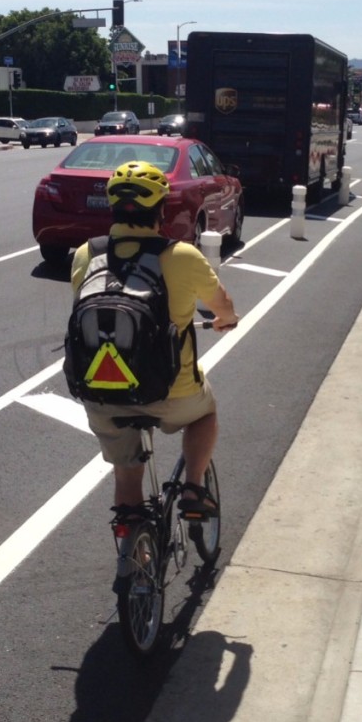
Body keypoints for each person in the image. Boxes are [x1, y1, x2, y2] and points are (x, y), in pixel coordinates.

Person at [70, 160, 239, 519]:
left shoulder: (87, 254)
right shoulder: (180, 256)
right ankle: (193, 486)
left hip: (103, 393)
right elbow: (220, 305)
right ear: (161, 210)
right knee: (205, 413)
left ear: (113, 208)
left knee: (126, 478)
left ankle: (134, 549)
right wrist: (227, 320)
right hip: (171, 391)